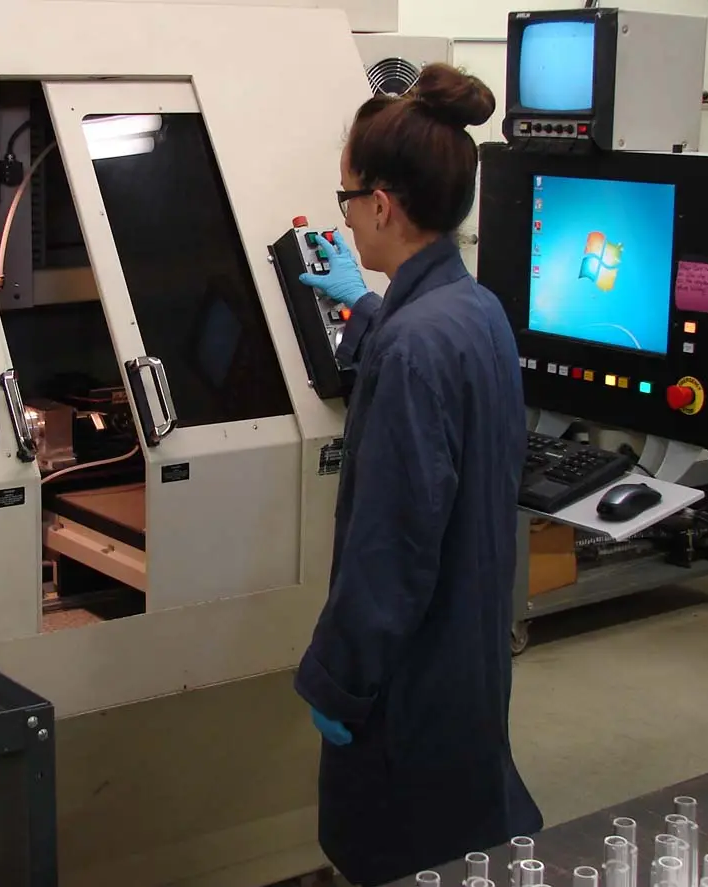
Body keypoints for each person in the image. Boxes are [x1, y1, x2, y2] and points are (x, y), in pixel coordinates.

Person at [293, 63, 544, 887]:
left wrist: (338, 678)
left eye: (346, 199)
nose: (347, 220)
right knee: (467, 832)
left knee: (406, 849)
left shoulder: (412, 345)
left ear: (381, 204)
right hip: (468, 655)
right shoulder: (476, 312)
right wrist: (361, 308)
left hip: (411, 678)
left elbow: (391, 546)